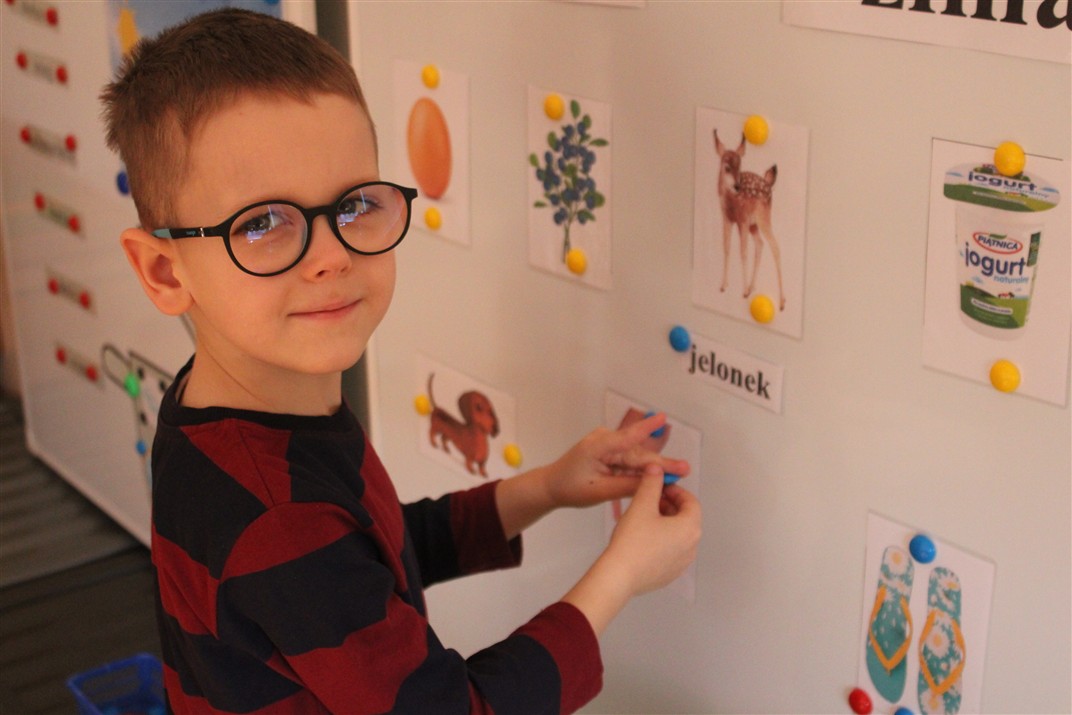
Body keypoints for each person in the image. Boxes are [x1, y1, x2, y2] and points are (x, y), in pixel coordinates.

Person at [101, 8, 701, 713]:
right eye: (261, 222)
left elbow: (372, 553)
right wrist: (621, 574)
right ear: (165, 272)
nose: (332, 256)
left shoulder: (230, 412)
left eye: (355, 205)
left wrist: (546, 488)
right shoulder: (276, 510)